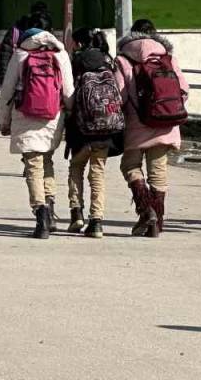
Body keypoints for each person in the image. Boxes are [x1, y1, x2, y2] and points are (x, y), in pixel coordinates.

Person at [115, 19, 190, 238]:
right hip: (165, 124)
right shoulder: (168, 57)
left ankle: (146, 209)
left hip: (136, 124)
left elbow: (120, 95)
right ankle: (157, 222)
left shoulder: (123, 59)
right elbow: (184, 89)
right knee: (158, 173)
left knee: (130, 166)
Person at [0, 25, 74, 239]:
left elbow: (7, 91)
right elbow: (68, 91)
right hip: (53, 115)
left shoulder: (20, 55)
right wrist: (69, 113)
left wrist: (3, 120)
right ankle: (50, 210)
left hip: (25, 115)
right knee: (47, 161)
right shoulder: (60, 54)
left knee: (33, 166)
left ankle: (40, 214)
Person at [65, 28, 123, 239]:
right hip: (106, 128)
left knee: (76, 167)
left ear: (79, 44)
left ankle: (76, 213)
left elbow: (69, 94)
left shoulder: (77, 61)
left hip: (81, 128)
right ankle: (96, 221)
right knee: (97, 173)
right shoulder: (108, 61)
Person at [0, 1, 50, 86]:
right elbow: (4, 56)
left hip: (31, 84)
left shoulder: (47, 32)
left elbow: (4, 57)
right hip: (26, 83)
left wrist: (5, 84)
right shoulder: (17, 32)